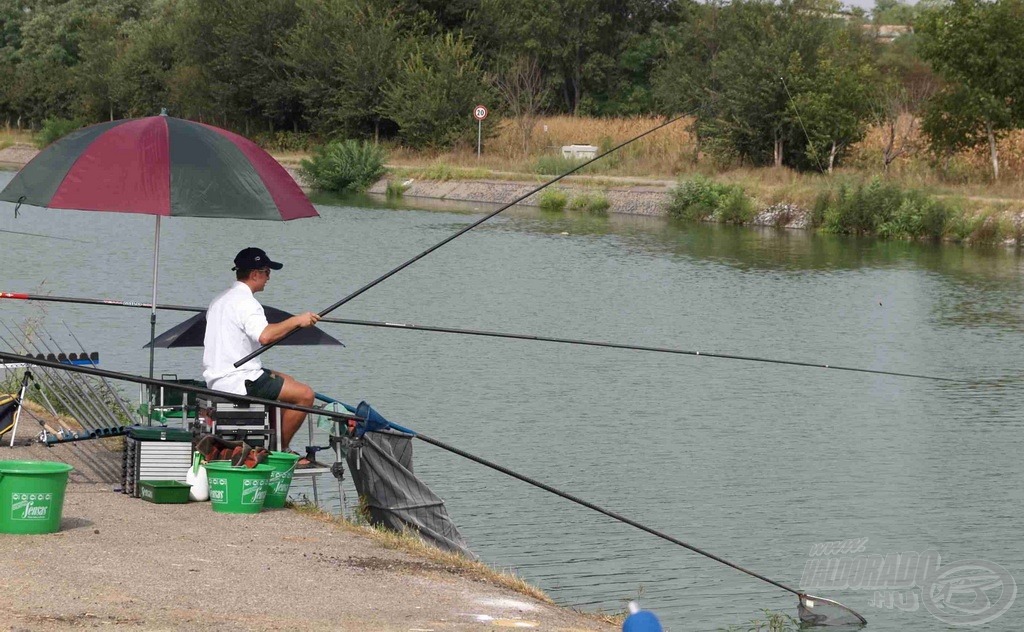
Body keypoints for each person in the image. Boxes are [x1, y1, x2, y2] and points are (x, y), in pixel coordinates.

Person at [202, 247, 321, 461]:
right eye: (267, 272)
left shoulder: (219, 300)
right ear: (255, 274)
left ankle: (270, 439)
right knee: (305, 395)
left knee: (288, 380)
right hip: (239, 380)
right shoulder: (246, 303)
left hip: (218, 376)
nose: (269, 277)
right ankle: (280, 451)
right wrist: (297, 320)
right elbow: (265, 336)